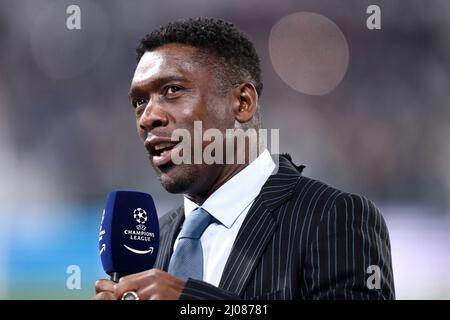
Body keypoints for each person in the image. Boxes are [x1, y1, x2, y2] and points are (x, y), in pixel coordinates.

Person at [93, 17, 395, 300]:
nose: (148, 117)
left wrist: (192, 301)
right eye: (139, 101)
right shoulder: (153, 239)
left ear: (242, 102)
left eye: (172, 90)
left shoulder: (333, 216)